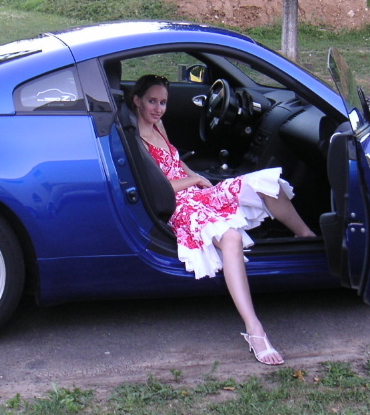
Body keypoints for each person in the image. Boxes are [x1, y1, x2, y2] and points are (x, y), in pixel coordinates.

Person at [131, 74, 316, 365]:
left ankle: (306, 237)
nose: (158, 108)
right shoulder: (137, 139)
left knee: (267, 183)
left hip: (195, 192)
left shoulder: (159, 125)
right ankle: (255, 330)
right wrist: (194, 180)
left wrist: (196, 176)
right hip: (179, 205)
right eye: (152, 101)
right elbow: (158, 188)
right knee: (231, 237)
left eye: (163, 102)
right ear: (137, 101)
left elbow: (176, 162)